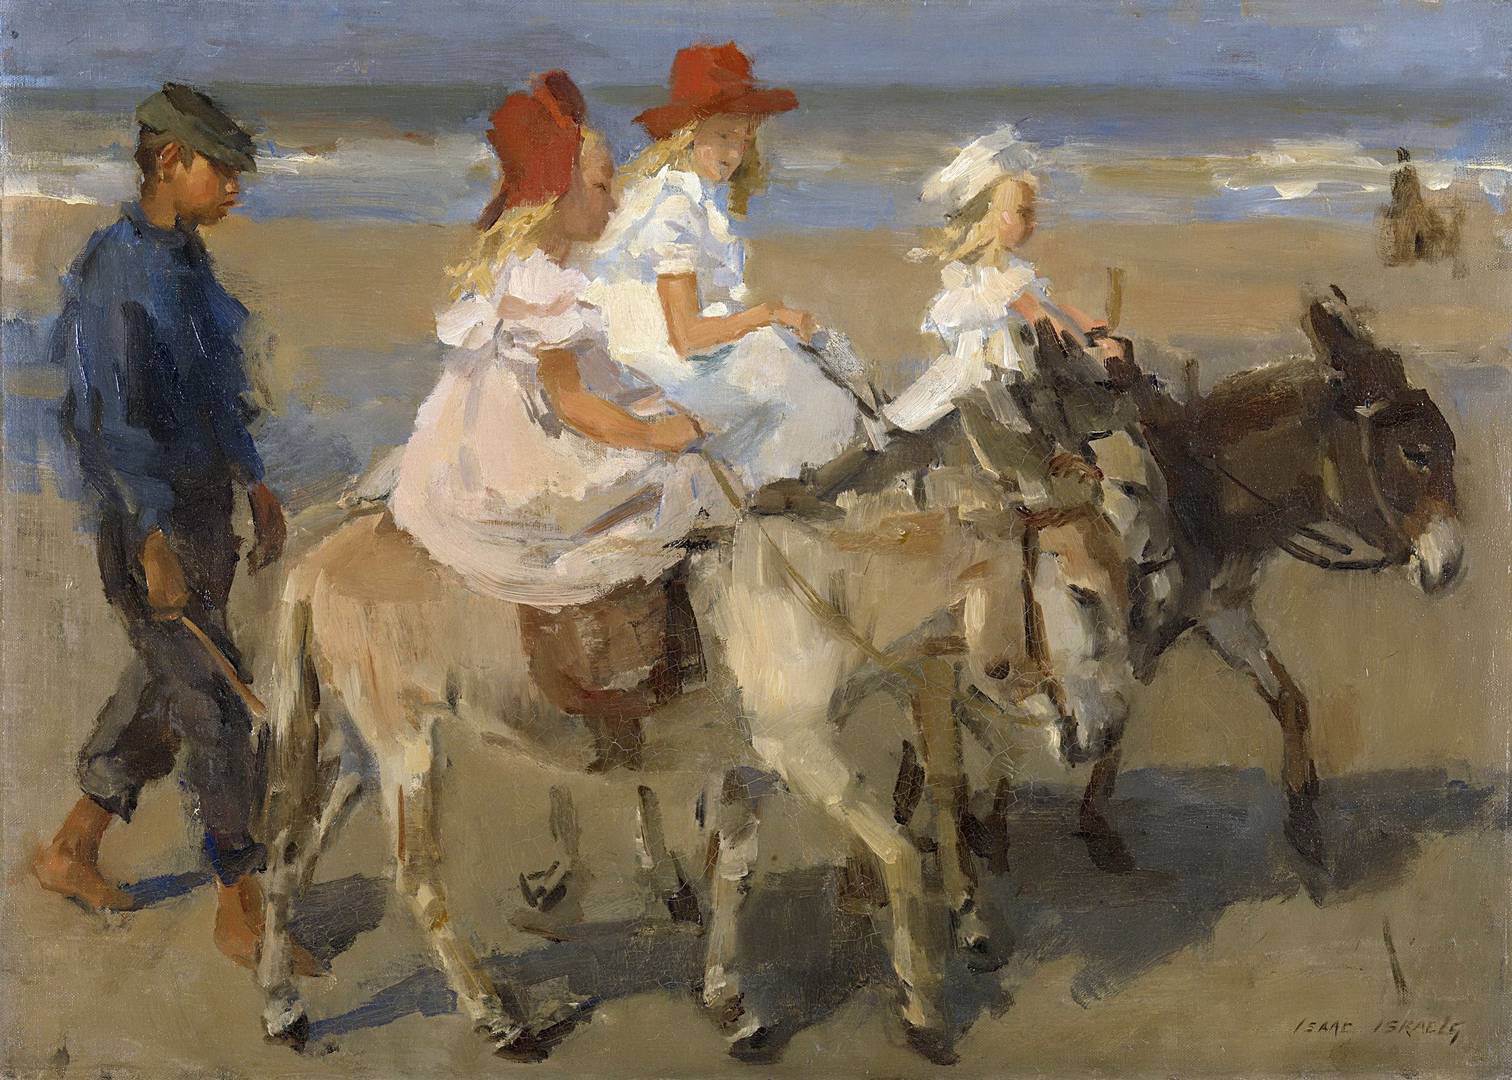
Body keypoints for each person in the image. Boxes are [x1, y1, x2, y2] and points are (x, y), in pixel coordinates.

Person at [390, 71, 730, 765]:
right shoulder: (544, 280)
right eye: (602, 187)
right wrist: (652, 435)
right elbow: (572, 404)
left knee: (669, 456)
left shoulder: (532, 266)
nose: (616, 200)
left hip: (503, 427)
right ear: (556, 194)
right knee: (670, 484)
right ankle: (621, 676)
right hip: (519, 449)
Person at [33, 83, 291, 969]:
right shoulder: (115, 272)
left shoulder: (188, 261)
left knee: (164, 691)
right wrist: (149, 540)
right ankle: (239, 905)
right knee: (217, 707)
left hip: (205, 514)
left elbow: (219, 391)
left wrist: (255, 482)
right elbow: (108, 423)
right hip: (146, 525)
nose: (236, 189)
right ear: (171, 160)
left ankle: (70, 849)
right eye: (224, 169)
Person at [590, 42, 863, 501]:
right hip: (655, 366)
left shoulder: (693, 199)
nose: (734, 151)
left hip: (680, 356)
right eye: (722, 135)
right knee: (797, 382)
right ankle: (769, 491)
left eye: (743, 139)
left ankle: (786, 479)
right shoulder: (673, 208)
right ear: (689, 134)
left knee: (812, 360)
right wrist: (769, 314)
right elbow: (686, 336)